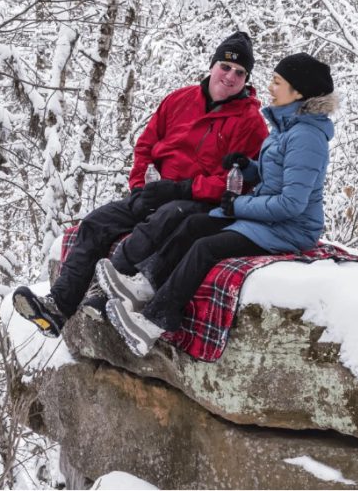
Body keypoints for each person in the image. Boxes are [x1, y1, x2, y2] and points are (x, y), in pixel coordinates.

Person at [13, 32, 269, 338]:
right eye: (225, 67)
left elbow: (235, 182)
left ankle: (105, 293)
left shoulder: (250, 122)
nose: (230, 77)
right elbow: (146, 146)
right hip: (156, 190)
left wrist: (181, 189)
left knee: (164, 219)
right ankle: (58, 306)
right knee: (97, 222)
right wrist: (139, 188)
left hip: (197, 201)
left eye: (240, 73)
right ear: (213, 65)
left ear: (246, 79)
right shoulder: (179, 100)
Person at [95, 52, 337, 356]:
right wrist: (247, 166)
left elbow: (291, 204)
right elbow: (275, 174)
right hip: (268, 218)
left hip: (290, 229)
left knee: (206, 248)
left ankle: (155, 322)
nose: (270, 87)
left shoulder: (306, 137)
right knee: (194, 224)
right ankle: (145, 286)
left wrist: (238, 206)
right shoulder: (287, 128)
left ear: (298, 92)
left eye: (277, 82)